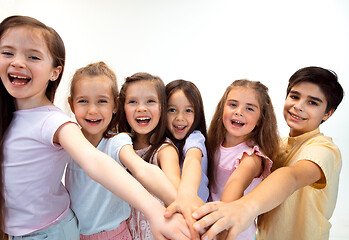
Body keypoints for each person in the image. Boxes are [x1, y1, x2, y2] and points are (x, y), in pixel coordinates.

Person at [0, 15, 190, 240]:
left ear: (55, 72)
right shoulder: (11, 118)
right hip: (61, 232)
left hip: (60, 233)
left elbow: (107, 163)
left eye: (33, 56)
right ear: (72, 103)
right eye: (8, 53)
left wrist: (172, 206)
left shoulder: (58, 124)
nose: (18, 62)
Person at [192, 67, 344, 240]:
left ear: (327, 113)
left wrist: (243, 207)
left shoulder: (325, 149)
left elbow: (291, 177)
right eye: (294, 96)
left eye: (313, 103)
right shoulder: (276, 147)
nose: (298, 106)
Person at [65, 62, 183, 240]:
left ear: (115, 105)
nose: (92, 110)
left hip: (114, 235)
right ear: (71, 104)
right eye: (83, 101)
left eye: (102, 101)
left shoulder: (116, 141)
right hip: (75, 235)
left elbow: (142, 169)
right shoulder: (70, 139)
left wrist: (180, 204)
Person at [196, 79, 279, 240]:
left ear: (260, 120)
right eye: (233, 105)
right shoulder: (213, 144)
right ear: (222, 109)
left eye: (249, 108)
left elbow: (233, 189)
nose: (239, 111)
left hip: (232, 232)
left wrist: (219, 232)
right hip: (209, 223)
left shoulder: (251, 158)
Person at [117, 72, 181, 240]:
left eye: (150, 101)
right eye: (132, 102)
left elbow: (175, 191)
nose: (141, 108)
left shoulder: (164, 150)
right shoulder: (120, 147)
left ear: (162, 107)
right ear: (122, 107)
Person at [162, 80, 210, 239]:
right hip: (172, 219)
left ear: (197, 114)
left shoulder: (195, 138)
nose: (179, 118)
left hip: (195, 217)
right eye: (172, 110)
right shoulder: (163, 144)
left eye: (188, 110)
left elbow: (192, 160)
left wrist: (187, 194)